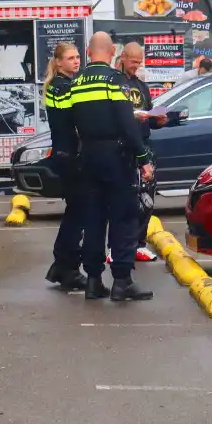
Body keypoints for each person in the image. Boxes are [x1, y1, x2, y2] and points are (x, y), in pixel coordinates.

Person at [63, 32, 155, 302]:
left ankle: (93, 281)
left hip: (88, 156)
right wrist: (142, 157)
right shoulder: (115, 81)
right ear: (113, 51)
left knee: (93, 220)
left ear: (89, 51)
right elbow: (127, 123)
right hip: (116, 157)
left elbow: (68, 124)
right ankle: (122, 281)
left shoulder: (76, 83)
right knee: (123, 219)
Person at [41, 42, 87, 292]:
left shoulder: (64, 85)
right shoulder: (60, 87)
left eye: (78, 57)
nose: (76, 61)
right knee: (78, 212)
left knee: (75, 212)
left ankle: (63, 264)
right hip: (70, 157)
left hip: (67, 156)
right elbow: (78, 116)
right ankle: (66, 265)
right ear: (58, 62)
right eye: (70, 58)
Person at [115, 42, 159, 262]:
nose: (136, 66)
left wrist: (159, 119)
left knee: (147, 198)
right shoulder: (116, 82)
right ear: (122, 57)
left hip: (144, 143)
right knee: (124, 200)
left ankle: (139, 244)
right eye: (133, 62)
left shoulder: (142, 85)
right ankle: (119, 246)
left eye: (139, 62)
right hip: (123, 148)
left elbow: (150, 115)